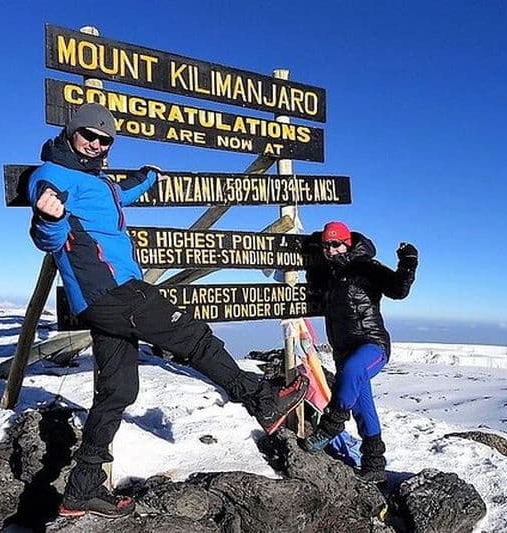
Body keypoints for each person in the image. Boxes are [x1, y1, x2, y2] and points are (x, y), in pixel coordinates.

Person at [27, 103, 308, 518]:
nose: (97, 144)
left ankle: (81, 490)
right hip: (113, 291)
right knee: (193, 337)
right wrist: (46, 218)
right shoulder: (52, 176)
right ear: (71, 133)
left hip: (104, 299)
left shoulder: (94, 179)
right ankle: (262, 400)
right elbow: (47, 234)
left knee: (118, 391)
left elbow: (117, 196)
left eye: (105, 139)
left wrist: (148, 178)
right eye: (89, 135)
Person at [300, 221, 418, 483]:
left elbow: (398, 289)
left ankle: (330, 426)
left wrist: (408, 263)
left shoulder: (366, 267)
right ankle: (374, 463)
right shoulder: (325, 273)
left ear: (348, 243)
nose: (330, 250)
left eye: (335, 244)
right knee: (363, 408)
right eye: (326, 246)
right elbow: (312, 258)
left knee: (354, 369)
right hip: (343, 351)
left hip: (372, 345)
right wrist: (307, 243)